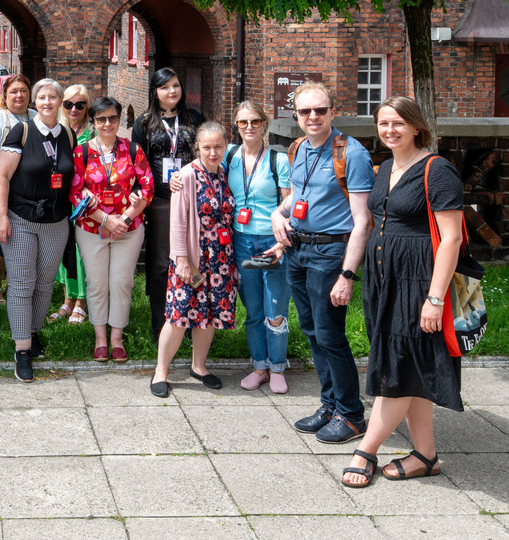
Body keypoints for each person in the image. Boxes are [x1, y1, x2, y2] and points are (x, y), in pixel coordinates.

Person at [342, 97, 465, 487]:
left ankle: (367, 451)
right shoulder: (385, 169)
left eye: (397, 123)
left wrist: (435, 298)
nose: (390, 130)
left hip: (418, 285)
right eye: (383, 124)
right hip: (385, 282)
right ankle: (426, 456)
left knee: (395, 367)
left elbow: (452, 239)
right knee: (410, 367)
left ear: (415, 126)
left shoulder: (437, 170)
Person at [271, 81, 375, 444]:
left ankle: (350, 414)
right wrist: (276, 216)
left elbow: (362, 220)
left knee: (331, 334)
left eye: (320, 110)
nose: (312, 117)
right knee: (313, 331)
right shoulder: (298, 147)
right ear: (295, 115)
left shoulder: (352, 153)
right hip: (298, 250)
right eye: (305, 111)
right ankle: (329, 404)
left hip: (331, 253)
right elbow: (298, 197)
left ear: (333, 111)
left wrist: (348, 274)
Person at [0, 78, 76, 382]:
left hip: (56, 221)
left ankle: (33, 331)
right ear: (35, 102)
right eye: (41, 97)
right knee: (21, 282)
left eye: (52, 97)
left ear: (60, 102)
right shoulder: (23, 131)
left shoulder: (67, 134)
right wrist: (1, 216)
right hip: (21, 217)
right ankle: (22, 349)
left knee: (44, 283)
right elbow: (1, 177)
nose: (46, 102)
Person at [150, 122, 236, 396]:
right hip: (192, 257)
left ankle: (199, 366)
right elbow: (177, 223)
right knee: (178, 315)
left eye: (218, 146)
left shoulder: (224, 173)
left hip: (221, 258)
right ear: (197, 146)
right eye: (207, 147)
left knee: (209, 314)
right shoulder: (186, 175)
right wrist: (182, 260)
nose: (213, 152)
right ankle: (160, 372)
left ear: (226, 145)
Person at [71, 97, 153, 361]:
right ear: (92, 122)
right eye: (101, 119)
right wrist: (106, 220)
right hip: (91, 228)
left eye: (113, 118)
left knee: (122, 281)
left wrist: (125, 219)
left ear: (120, 119)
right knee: (96, 283)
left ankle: (117, 338)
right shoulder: (82, 152)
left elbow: (147, 186)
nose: (107, 123)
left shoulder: (132, 150)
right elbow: (74, 192)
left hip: (128, 229)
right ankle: (100, 339)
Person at [132, 68, 206, 341]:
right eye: (165, 87)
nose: (172, 91)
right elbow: (139, 165)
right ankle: (161, 323)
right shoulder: (144, 123)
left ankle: (191, 320)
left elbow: (204, 153)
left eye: (176, 85)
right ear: (155, 92)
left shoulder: (194, 118)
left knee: (193, 258)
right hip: (161, 201)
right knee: (163, 261)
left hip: (194, 198)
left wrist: (188, 177)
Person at [225, 101, 292, 394]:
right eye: (243, 123)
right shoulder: (229, 155)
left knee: (275, 307)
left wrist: (281, 239)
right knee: (252, 309)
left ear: (264, 124)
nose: (249, 127)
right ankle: (260, 365)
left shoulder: (278, 160)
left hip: (271, 241)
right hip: (241, 241)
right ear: (236, 126)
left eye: (255, 121)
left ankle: (278, 366)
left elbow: (289, 201)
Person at [0, 74, 35, 305]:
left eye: (23, 90)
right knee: (4, 239)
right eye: (13, 91)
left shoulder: (35, 116)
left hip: (29, 191)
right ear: (4, 96)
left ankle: (15, 285)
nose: (19, 95)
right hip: (1, 188)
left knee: (24, 241)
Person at [51, 84, 94, 325]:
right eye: (68, 104)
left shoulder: (93, 133)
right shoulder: (56, 131)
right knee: (64, 249)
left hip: (84, 202)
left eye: (80, 104)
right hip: (59, 200)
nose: (73, 109)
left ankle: (82, 302)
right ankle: (67, 300)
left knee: (80, 252)